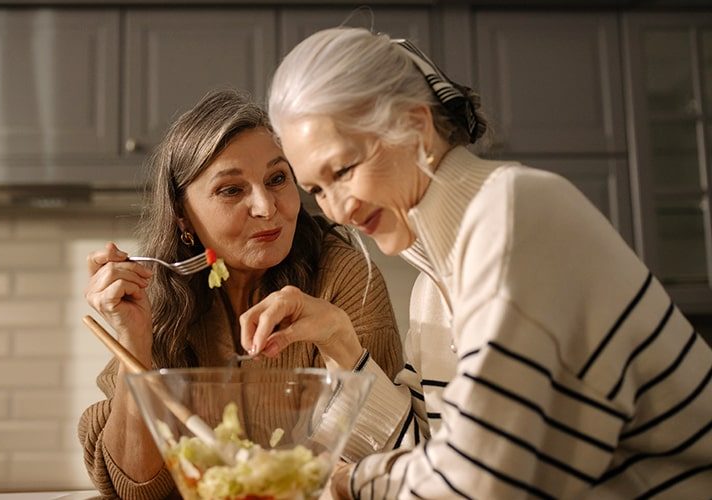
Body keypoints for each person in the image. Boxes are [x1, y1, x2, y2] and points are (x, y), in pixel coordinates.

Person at [239, 27, 712, 498]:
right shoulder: (434, 284)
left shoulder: (515, 213)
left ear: (416, 126)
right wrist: (341, 341)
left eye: (342, 170)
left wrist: (344, 484)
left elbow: (484, 481)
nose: (338, 210)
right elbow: (434, 453)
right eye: (318, 190)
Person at [77, 88, 404, 500]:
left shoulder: (343, 273)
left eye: (277, 179)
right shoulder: (153, 294)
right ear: (182, 214)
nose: (267, 206)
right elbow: (135, 487)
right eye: (232, 190)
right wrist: (135, 341)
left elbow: (382, 452)